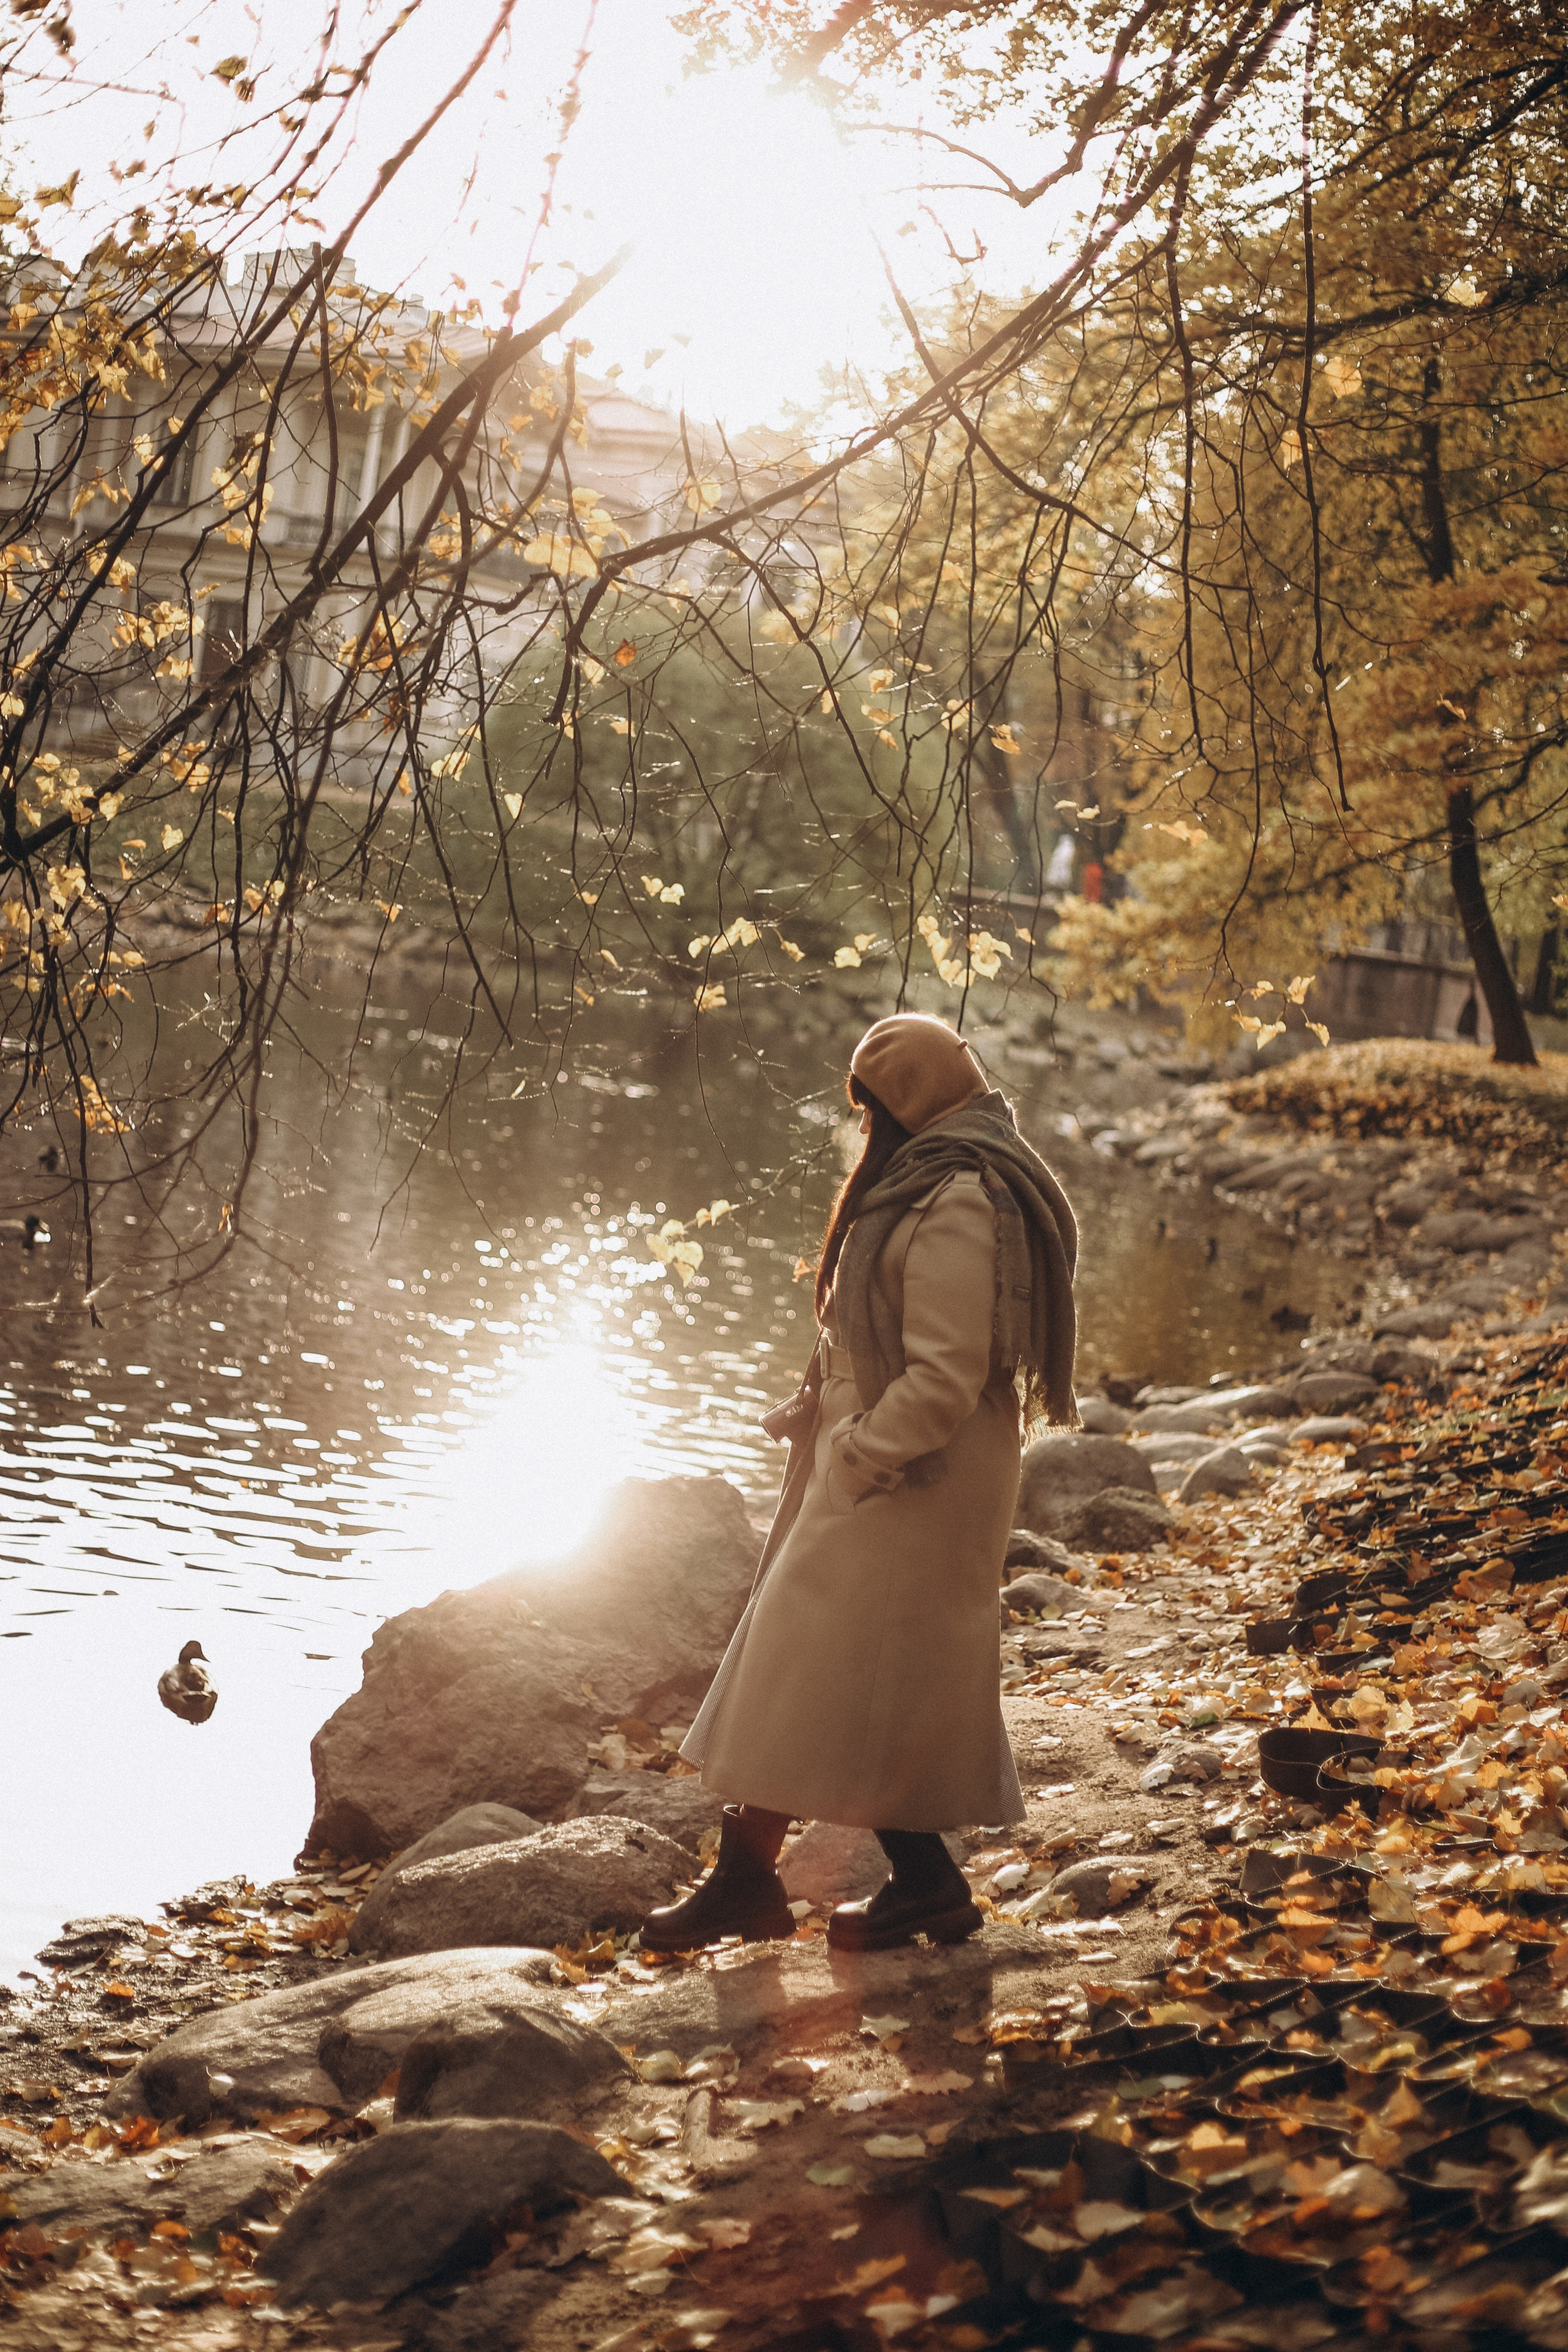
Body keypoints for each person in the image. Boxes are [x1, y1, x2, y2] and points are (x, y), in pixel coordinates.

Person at [642, 1012, 1080, 1956]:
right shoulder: (930, 1177)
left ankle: (868, 1884)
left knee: (834, 1670)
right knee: (821, 1671)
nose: (861, 1126)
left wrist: (858, 1452)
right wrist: (827, 1413)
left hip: (917, 1474)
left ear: (902, 1104)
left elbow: (947, 1375)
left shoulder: (959, 1194)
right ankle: (786, 1882)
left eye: (869, 1107)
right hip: (890, 1466)